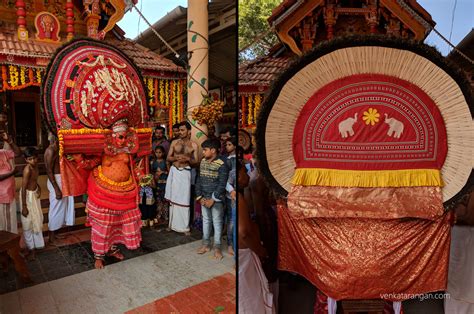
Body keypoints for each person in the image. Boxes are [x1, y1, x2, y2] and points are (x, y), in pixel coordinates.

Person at [71, 119, 142, 269]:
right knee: (103, 226)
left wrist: (141, 176)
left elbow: (134, 168)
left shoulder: (128, 153)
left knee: (118, 224)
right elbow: (89, 164)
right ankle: (98, 256)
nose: (122, 141)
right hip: (103, 193)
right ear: (112, 137)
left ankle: (113, 249)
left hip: (125, 192)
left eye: (125, 137)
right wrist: (79, 157)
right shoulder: (103, 151)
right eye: (120, 137)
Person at [238, 161, 274, 313]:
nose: (247, 174)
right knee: (251, 297)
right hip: (245, 254)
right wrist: (261, 251)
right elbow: (244, 232)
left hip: (244, 254)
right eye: (243, 172)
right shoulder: (238, 198)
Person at [195, 138, 229, 260]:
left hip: (216, 200)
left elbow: (222, 184)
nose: (203, 152)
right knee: (206, 221)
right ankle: (206, 245)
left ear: (213, 150)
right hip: (204, 198)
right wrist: (200, 197)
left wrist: (213, 199)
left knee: (217, 223)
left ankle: (217, 248)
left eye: (205, 150)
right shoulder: (203, 162)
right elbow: (198, 180)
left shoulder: (221, 164)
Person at [165, 121, 199, 235]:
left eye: (183, 130)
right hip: (175, 171)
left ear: (189, 131)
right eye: (179, 130)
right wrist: (176, 158)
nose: (180, 132)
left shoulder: (194, 145)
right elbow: (168, 157)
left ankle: (184, 227)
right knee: (173, 198)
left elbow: (196, 161)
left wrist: (187, 159)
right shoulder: (174, 142)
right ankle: (171, 225)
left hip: (185, 173)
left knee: (184, 198)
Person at [44, 133, 75, 244]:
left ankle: (55, 233)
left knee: (61, 208)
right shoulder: (50, 150)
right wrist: (56, 188)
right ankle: (51, 236)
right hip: (56, 182)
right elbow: (48, 171)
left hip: (62, 180)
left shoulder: (59, 149)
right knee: (55, 208)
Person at [20, 147, 44, 259]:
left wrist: (38, 187)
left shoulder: (36, 166)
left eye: (34, 158)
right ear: (26, 160)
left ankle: (37, 246)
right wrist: (24, 206)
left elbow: (34, 180)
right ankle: (31, 249)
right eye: (30, 159)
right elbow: (24, 188)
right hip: (27, 197)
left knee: (36, 219)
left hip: (33, 194)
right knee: (28, 222)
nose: (33, 161)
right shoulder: (27, 170)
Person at [0, 128, 21, 233]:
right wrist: (12, 173)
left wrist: (10, 141)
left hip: (9, 194)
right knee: (5, 224)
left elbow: (18, 153)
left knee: (10, 223)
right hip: (2, 197)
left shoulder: (3, 152)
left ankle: (11, 247)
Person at [224, 136, 237, 256]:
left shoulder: (238, 161)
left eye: (229, 144)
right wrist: (231, 190)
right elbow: (226, 180)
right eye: (226, 145)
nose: (227, 146)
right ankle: (230, 244)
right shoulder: (227, 160)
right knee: (231, 221)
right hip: (231, 194)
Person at [151, 146, 169, 225]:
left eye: (160, 152)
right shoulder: (153, 162)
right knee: (158, 200)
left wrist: (162, 172)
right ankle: (158, 215)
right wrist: (155, 175)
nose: (158, 154)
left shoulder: (166, 162)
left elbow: (169, 172)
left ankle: (165, 216)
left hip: (164, 183)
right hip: (157, 183)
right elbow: (151, 172)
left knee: (165, 200)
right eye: (156, 152)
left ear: (163, 153)